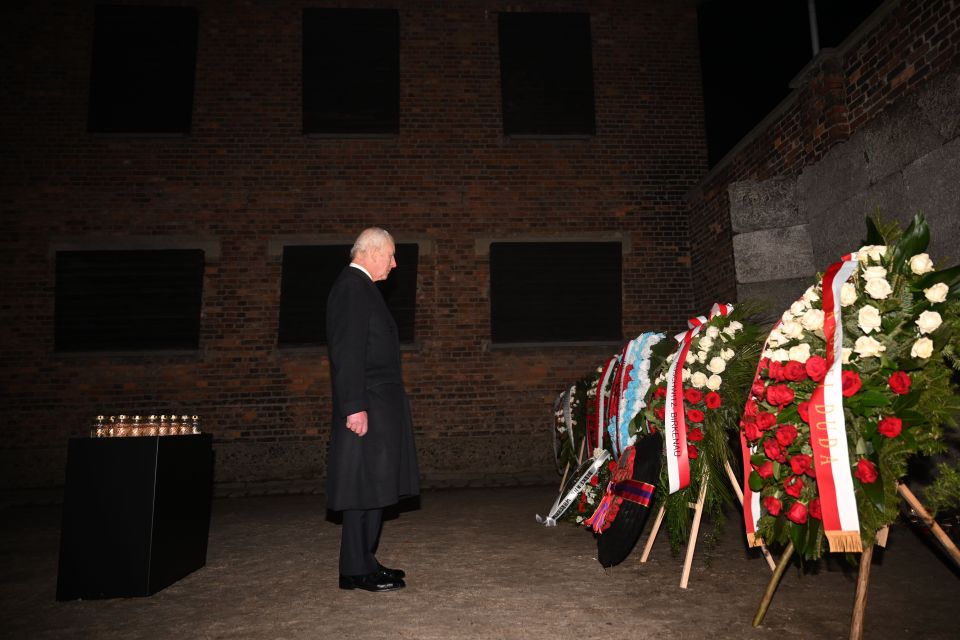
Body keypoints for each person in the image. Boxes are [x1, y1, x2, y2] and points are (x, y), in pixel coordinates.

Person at [325, 227, 420, 592]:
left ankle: (364, 561)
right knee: (361, 487)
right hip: (366, 404)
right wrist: (354, 407)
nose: (394, 264)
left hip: (378, 404)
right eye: (391, 255)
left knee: (373, 485)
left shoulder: (362, 288)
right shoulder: (352, 287)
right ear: (372, 251)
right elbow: (347, 352)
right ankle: (354, 569)